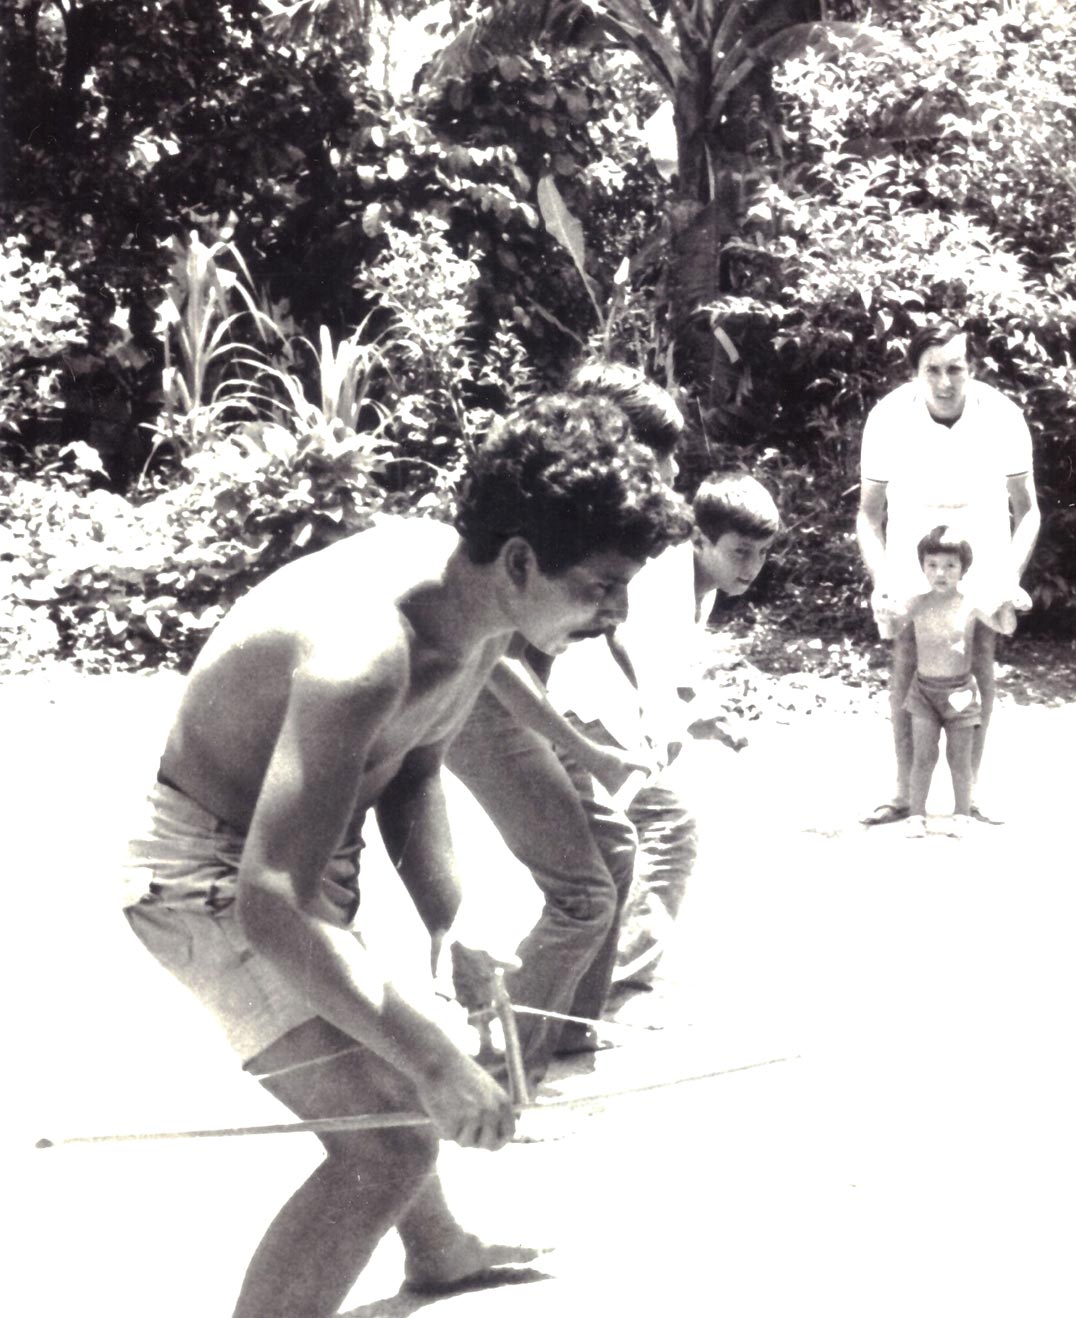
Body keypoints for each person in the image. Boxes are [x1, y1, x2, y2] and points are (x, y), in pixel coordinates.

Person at [121, 394, 679, 1318]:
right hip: (205, 880)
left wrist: (449, 920)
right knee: (391, 1140)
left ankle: (440, 1250)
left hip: (298, 861)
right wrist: (437, 1062)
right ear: (521, 561)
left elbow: (413, 768)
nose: (614, 614)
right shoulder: (361, 653)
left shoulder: (474, 603)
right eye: (600, 587)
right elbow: (272, 901)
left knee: (394, 1076)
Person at [443, 364, 694, 1070]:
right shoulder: (549, 513)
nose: (673, 474)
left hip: (526, 702)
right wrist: (588, 749)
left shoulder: (605, 524)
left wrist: (656, 705)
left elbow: (613, 626)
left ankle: (568, 1026)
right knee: (583, 892)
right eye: (662, 456)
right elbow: (497, 662)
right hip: (485, 702)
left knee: (613, 849)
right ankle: (503, 1061)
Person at [595, 469, 784, 986]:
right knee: (670, 825)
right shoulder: (660, 575)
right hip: (585, 708)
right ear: (699, 538)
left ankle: (607, 973)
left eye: (762, 553)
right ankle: (617, 980)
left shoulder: (704, 583)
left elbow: (671, 670)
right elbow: (623, 640)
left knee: (621, 846)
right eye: (741, 552)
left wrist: (701, 710)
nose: (752, 567)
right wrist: (661, 716)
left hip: (614, 713)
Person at [856, 319, 1040, 827]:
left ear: (972, 369)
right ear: (915, 372)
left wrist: (1008, 577)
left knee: (977, 649)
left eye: (955, 369)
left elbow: (1027, 510)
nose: (944, 382)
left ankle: (970, 792)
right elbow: (869, 514)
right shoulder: (888, 417)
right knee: (906, 650)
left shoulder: (1003, 416)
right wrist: (882, 581)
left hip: (982, 526)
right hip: (912, 526)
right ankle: (902, 792)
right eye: (931, 370)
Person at [881, 524, 1022, 836]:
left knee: (960, 758)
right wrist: (883, 611)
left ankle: (962, 814)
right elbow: (891, 631)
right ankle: (916, 816)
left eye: (949, 566)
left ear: (963, 569)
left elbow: (1005, 627)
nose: (940, 573)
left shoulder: (970, 603)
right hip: (924, 692)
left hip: (960, 692)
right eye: (932, 565)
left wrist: (1008, 604)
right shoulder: (917, 603)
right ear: (922, 567)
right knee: (923, 756)